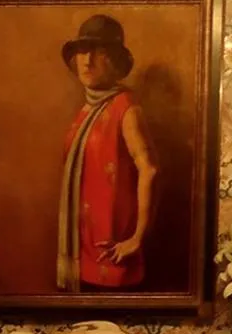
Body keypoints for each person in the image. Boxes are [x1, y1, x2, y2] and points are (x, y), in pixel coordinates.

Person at [56, 15, 158, 291]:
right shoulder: (86, 111)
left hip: (113, 252)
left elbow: (149, 169)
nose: (86, 61)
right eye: (81, 52)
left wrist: (136, 238)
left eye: (98, 53)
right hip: (84, 250)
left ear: (114, 61)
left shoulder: (125, 107)